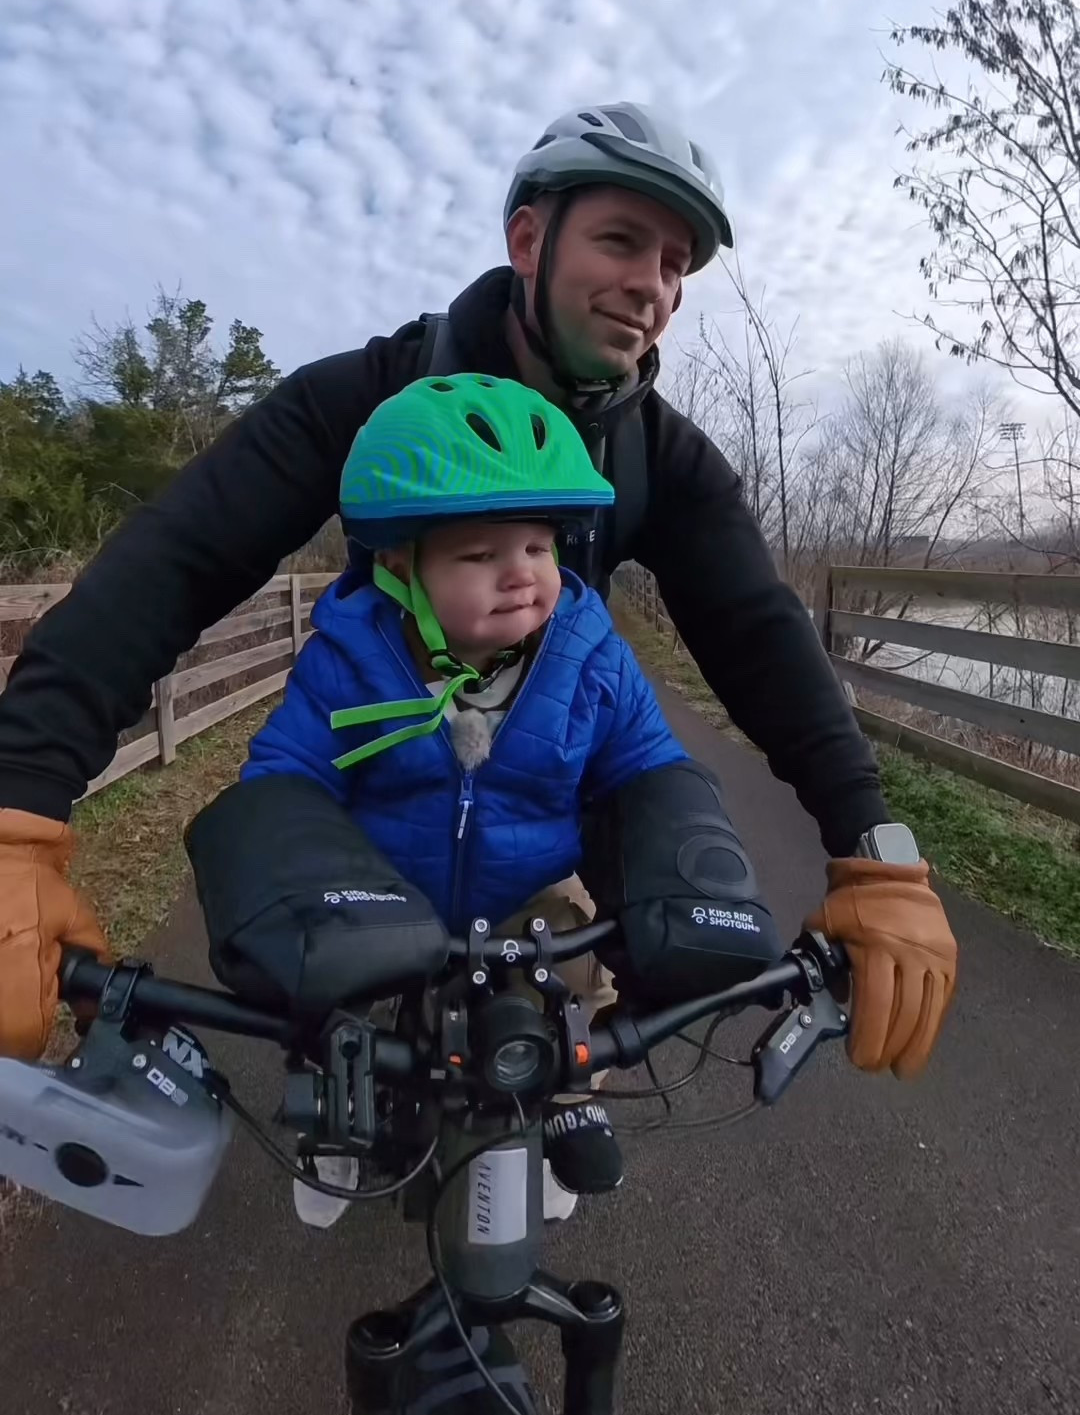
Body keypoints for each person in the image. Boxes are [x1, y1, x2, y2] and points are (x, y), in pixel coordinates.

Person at [0, 102, 957, 1081]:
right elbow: (173, 563)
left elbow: (761, 636)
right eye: (622, 241)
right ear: (529, 241)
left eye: (677, 265)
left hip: (534, 845)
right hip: (370, 833)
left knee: (576, 1038)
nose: (654, 287)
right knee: (334, 1038)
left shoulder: (663, 459)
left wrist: (875, 849)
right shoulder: (365, 398)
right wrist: (20, 808)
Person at [185, 372, 778, 1220]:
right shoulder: (350, 660)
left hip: (528, 890)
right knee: (331, 992)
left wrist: (689, 884)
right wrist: (286, 886)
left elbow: (646, 764)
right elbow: (290, 772)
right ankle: (336, 1109)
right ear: (399, 563)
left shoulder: (589, 656)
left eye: (537, 548)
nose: (521, 576)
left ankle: (568, 1093)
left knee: (574, 965)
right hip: (384, 887)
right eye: (479, 555)